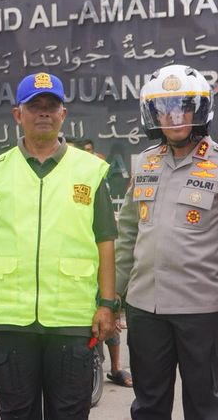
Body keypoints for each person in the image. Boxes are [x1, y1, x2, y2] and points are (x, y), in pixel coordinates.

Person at [116, 64, 218, 420]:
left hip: (202, 310)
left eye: (182, 107)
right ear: (153, 115)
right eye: (163, 109)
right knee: (148, 403)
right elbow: (127, 236)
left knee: (202, 403)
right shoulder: (145, 164)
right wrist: (111, 299)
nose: (173, 117)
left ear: (198, 111)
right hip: (144, 308)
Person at [0, 72, 117, 420]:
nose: (44, 113)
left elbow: (106, 241)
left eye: (52, 106)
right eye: (35, 107)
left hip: (73, 319)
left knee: (70, 413)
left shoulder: (90, 171)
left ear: (63, 114)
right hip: (9, 321)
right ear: (18, 115)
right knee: (17, 413)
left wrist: (108, 304)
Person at [71, 139, 132, 388]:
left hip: (98, 256)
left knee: (109, 308)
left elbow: (108, 232)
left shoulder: (96, 177)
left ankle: (116, 368)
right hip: (71, 262)